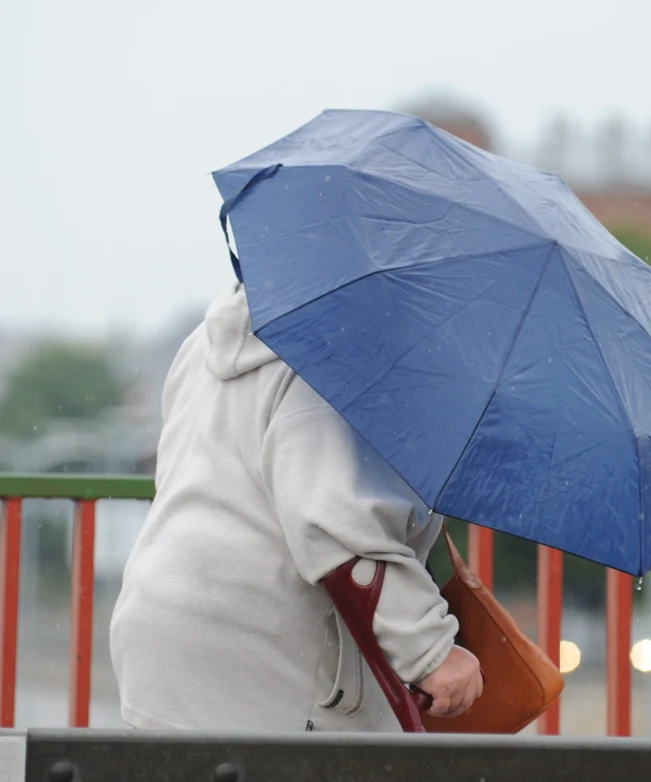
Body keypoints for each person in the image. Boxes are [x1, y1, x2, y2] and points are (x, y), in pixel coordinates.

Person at [109, 283, 483, 732]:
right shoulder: (332, 357)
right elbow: (338, 529)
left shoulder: (208, 338)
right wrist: (431, 652)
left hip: (164, 629)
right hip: (265, 655)